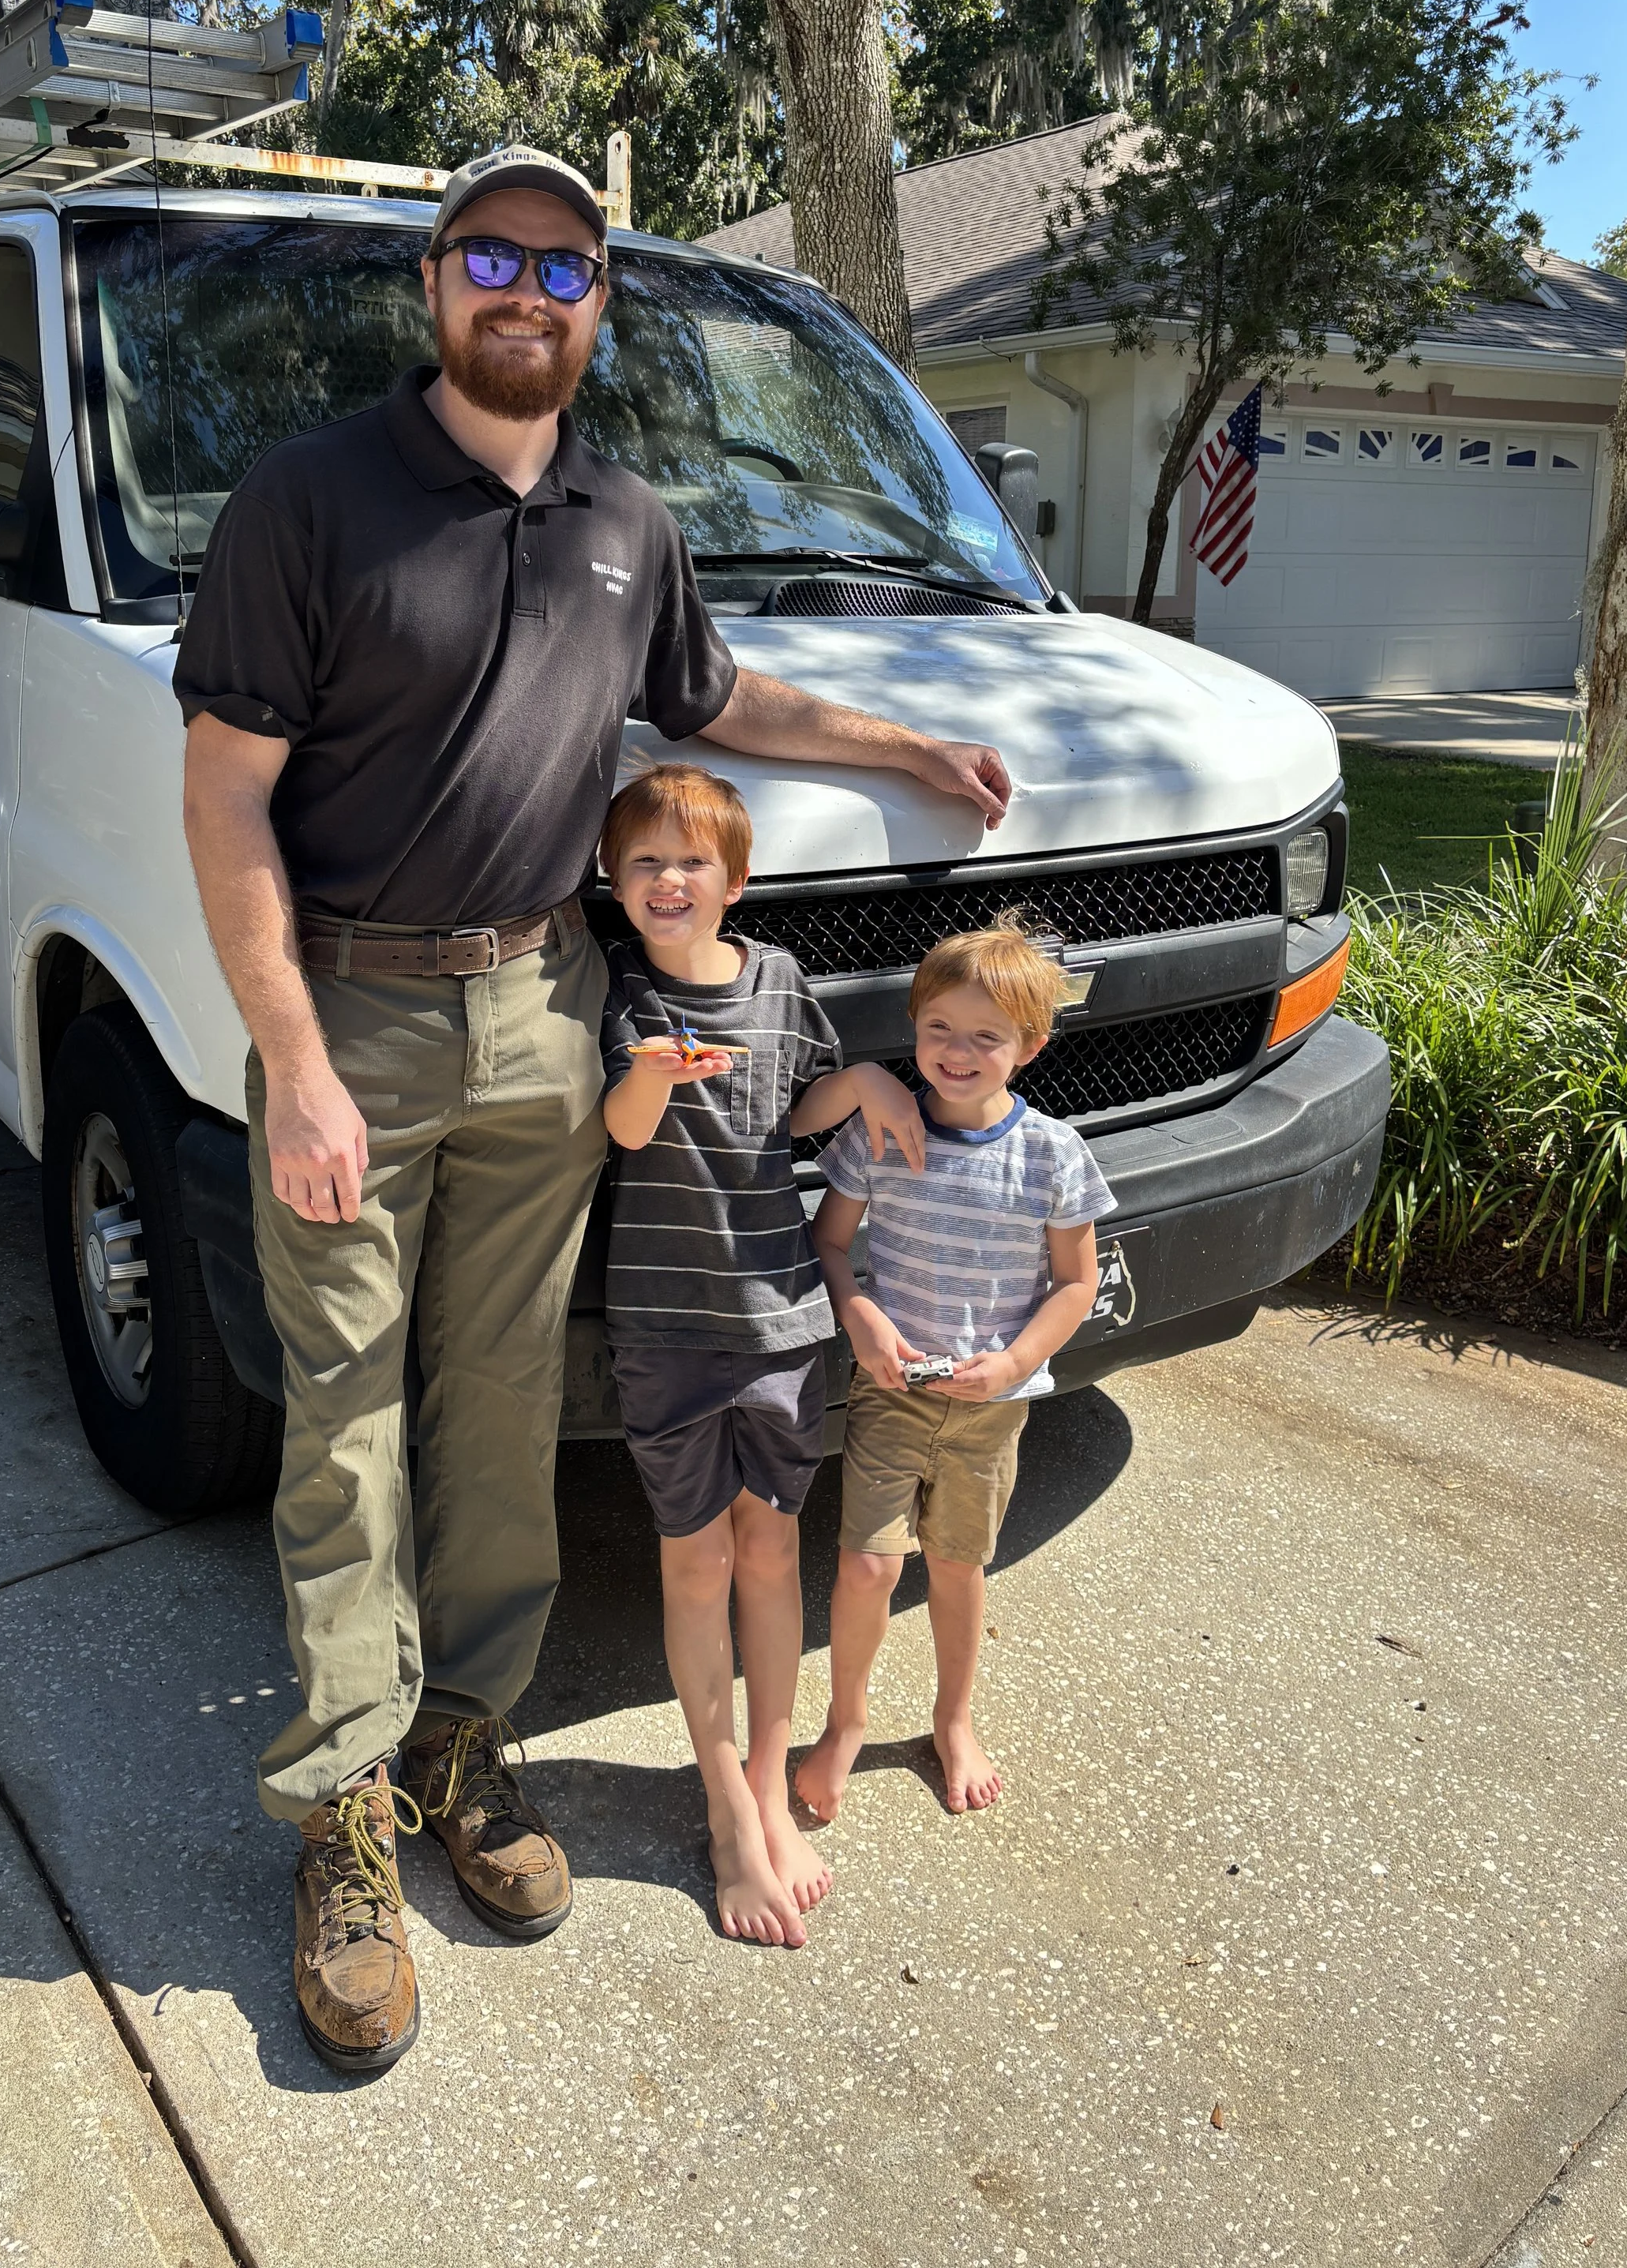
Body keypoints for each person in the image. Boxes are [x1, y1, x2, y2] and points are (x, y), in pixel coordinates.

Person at [177, 141, 1012, 2076]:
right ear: (432, 285)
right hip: (360, 1019)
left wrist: (909, 752)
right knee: (341, 1423)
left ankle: (464, 1745)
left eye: (565, 267)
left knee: (491, 1410)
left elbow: (721, 703)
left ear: (601, 305)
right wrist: (294, 1057)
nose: (526, 293)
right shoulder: (308, 504)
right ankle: (343, 1821)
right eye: (491, 257)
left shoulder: (628, 517)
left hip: (553, 1009)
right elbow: (227, 796)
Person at [598, 763, 924, 1949]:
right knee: (693, 1565)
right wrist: (647, 1069)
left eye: (692, 862)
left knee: (772, 1553)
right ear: (614, 883)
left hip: (781, 1323)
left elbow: (796, 1110)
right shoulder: (620, 993)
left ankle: (777, 1780)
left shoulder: (780, 980)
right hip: (667, 1328)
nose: (669, 880)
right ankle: (726, 1802)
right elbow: (620, 1131)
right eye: (644, 863)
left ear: (736, 879)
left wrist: (870, 1079)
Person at [795, 920, 1118, 1825]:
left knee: (956, 1565)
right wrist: (859, 1316)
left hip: (990, 1407)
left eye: (987, 1036)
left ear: (1030, 1045)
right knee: (865, 1567)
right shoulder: (882, 1135)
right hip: (891, 1391)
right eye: (940, 1029)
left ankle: (951, 1721)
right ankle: (846, 1721)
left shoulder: (1052, 1154)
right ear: (914, 1029)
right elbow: (829, 1243)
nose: (959, 1052)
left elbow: (1075, 1281)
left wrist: (1016, 1361)